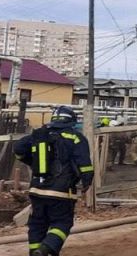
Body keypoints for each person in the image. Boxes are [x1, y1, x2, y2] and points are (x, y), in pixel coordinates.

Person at [14, 106, 93, 256]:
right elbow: (84, 164)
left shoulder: (39, 134)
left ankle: (35, 251)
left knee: (37, 224)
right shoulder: (75, 137)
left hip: (37, 190)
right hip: (61, 192)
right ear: (71, 121)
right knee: (62, 223)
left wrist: (31, 162)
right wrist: (86, 181)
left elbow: (18, 149)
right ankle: (45, 249)